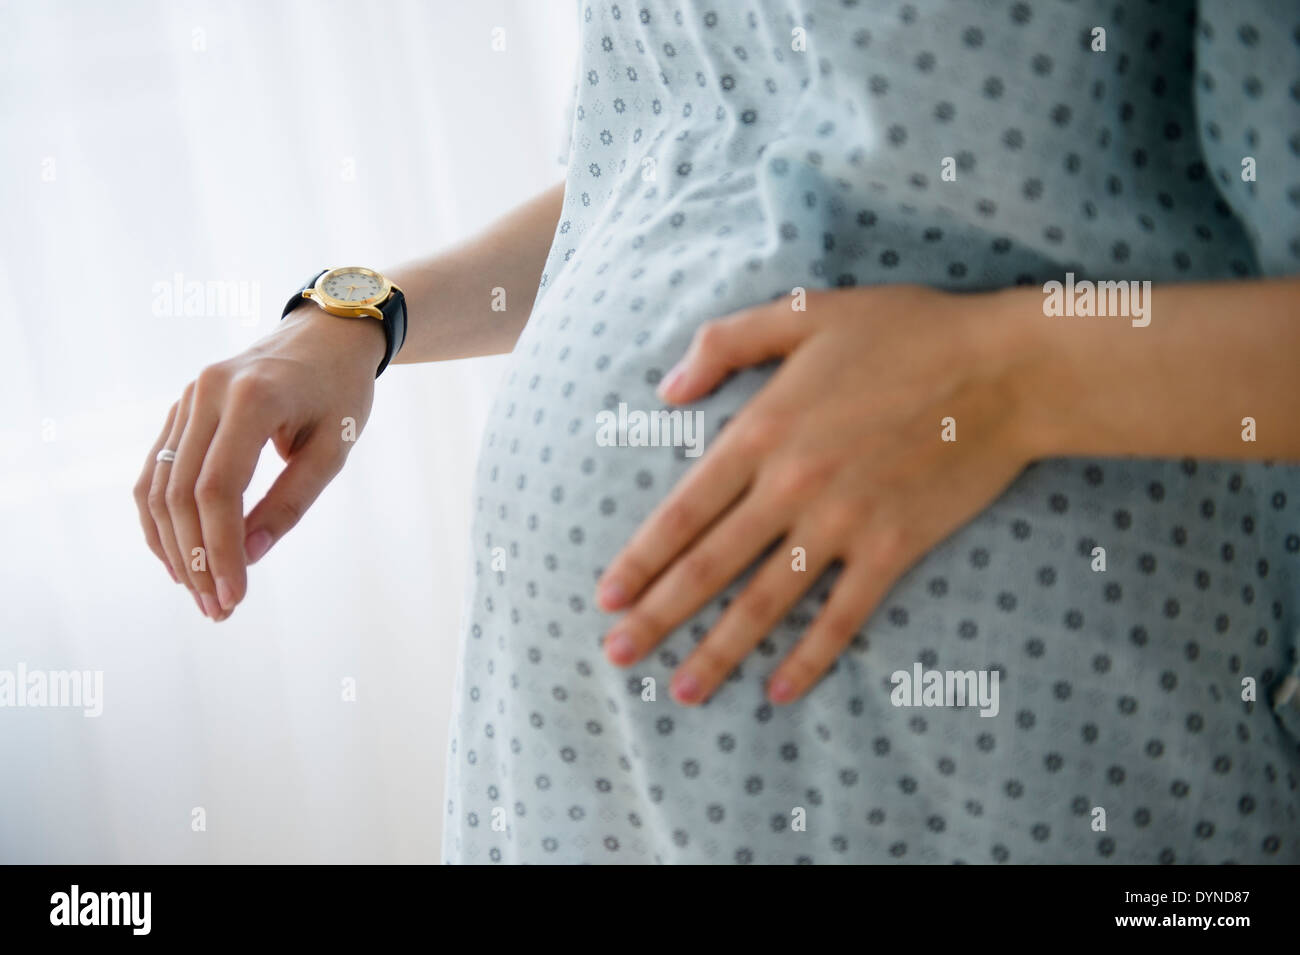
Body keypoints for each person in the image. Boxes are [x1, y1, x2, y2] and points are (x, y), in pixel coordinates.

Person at [136, 0, 1300, 863]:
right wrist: (360, 316)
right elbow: (677, 174)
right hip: (571, 775)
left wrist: (1003, 377)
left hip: (1010, 761)